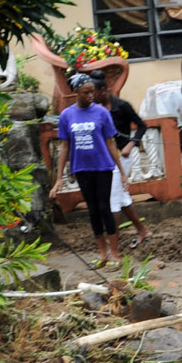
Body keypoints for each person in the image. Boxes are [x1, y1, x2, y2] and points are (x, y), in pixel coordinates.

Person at [53, 75, 130, 268]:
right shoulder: (66, 116)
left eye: (92, 92)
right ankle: (102, 253)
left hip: (102, 167)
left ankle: (115, 253)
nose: (90, 96)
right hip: (81, 168)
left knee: (105, 208)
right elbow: (64, 147)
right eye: (85, 92)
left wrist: (121, 170)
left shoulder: (102, 113)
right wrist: (59, 178)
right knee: (93, 211)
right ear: (76, 93)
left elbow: (110, 143)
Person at [103, 87, 152, 247]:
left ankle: (113, 247)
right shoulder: (95, 109)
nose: (90, 95)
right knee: (122, 198)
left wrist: (131, 144)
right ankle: (143, 231)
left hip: (122, 158)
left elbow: (142, 126)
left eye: (93, 91)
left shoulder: (121, 106)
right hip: (106, 159)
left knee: (112, 201)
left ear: (103, 90)